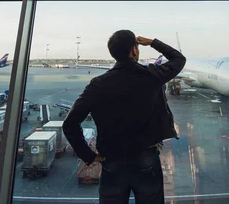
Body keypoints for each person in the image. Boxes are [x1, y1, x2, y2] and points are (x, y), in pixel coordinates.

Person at [63, 30, 186, 204]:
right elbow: (178, 59)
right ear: (134, 50)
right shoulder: (152, 75)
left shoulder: (97, 85)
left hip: (112, 159)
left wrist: (89, 155)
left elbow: (70, 124)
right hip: (146, 158)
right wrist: (152, 42)